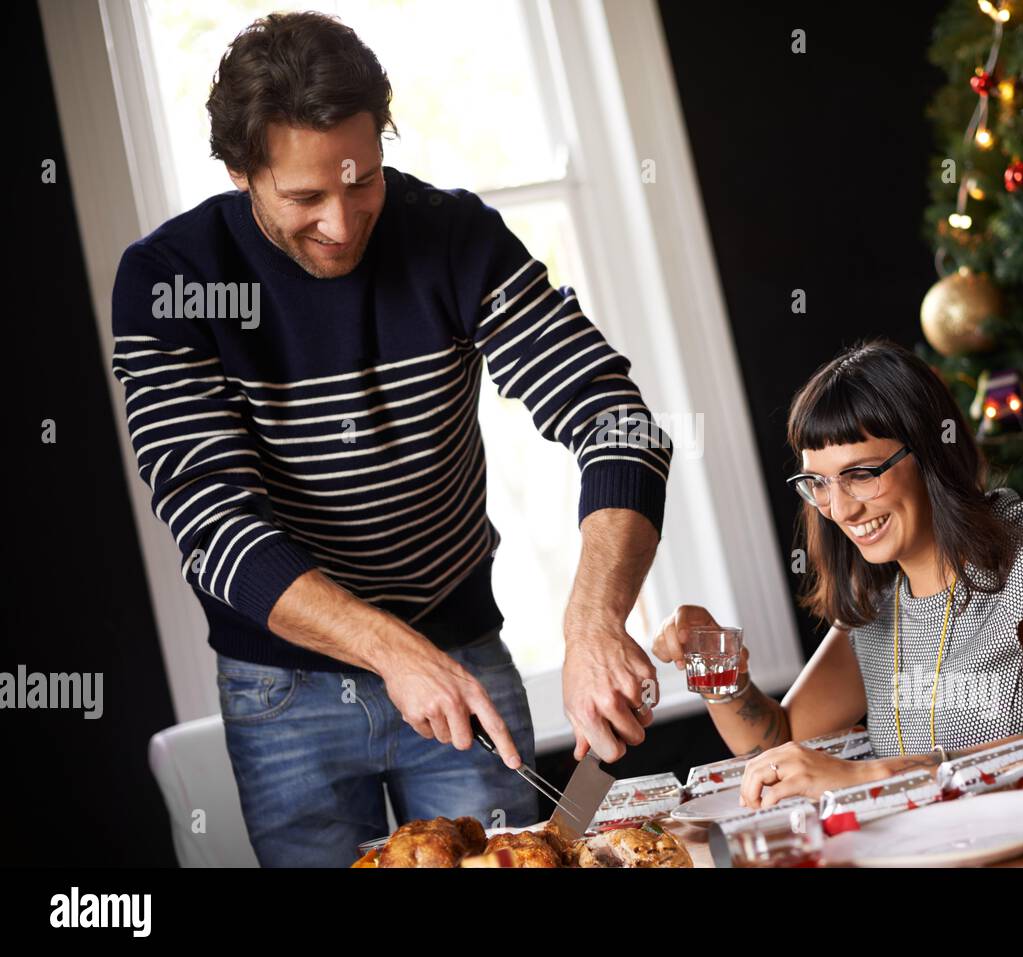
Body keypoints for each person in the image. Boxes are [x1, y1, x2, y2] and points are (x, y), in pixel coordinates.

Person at [111, 12, 671, 866]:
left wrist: (595, 618)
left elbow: (615, 418)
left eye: (361, 180)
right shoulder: (171, 282)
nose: (342, 223)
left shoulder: (453, 238)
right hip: (282, 691)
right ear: (240, 172)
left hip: (462, 655)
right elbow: (213, 523)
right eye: (304, 197)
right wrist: (391, 648)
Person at [653, 340, 1023, 808]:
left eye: (862, 474)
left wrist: (871, 778)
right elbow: (779, 742)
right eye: (817, 483)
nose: (840, 508)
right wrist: (717, 670)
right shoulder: (877, 605)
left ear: (931, 452)